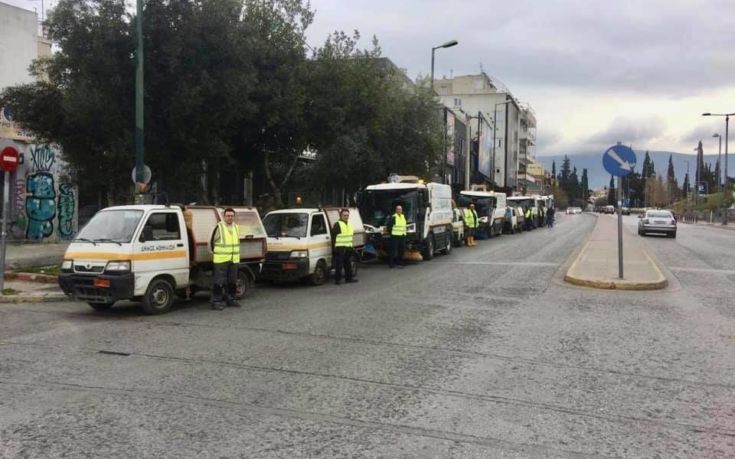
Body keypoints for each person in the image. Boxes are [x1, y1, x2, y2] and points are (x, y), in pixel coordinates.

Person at [210, 207, 240, 310]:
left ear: (234, 217)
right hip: (221, 260)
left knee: (232, 281)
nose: (230, 217)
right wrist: (215, 253)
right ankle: (216, 302)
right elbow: (211, 242)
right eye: (228, 216)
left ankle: (231, 299)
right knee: (219, 282)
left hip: (233, 259)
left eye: (232, 216)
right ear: (224, 216)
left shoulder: (236, 227)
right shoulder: (219, 227)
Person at [332, 208, 358, 285]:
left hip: (348, 246)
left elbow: (350, 236)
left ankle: (349, 278)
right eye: (344, 215)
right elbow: (333, 237)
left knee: (348, 263)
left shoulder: (349, 224)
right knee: (339, 264)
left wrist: (351, 246)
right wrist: (334, 248)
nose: (346, 217)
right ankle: (337, 279)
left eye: (347, 215)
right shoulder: (337, 224)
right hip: (340, 247)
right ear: (341, 215)